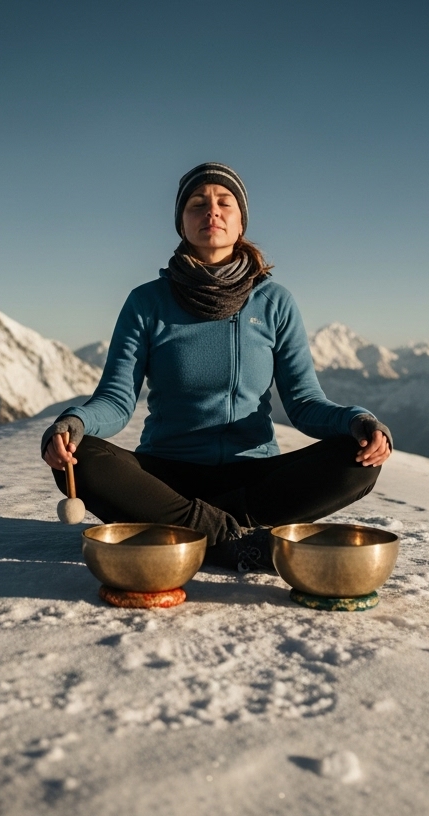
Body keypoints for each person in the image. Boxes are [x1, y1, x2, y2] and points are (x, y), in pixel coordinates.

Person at [41, 162, 392, 571]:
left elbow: (304, 402)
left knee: (359, 458)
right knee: (79, 456)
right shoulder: (146, 302)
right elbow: (117, 400)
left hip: (253, 480)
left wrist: (359, 423)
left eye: (224, 202)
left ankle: (197, 533)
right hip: (166, 480)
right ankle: (234, 539)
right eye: (197, 204)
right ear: (181, 224)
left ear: (241, 222)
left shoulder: (274, 302)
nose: (212, 211)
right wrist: (73, 425)